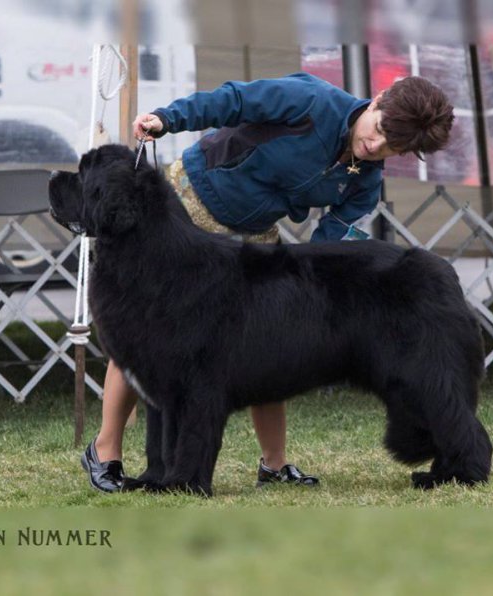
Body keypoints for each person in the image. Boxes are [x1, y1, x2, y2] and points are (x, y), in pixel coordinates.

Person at [81, 71, 455, 493]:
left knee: (268, 343)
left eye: (394, 147)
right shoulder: (310, 100)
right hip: (191, 206)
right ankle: (106, 451)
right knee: (149, 334)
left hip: (252, 236)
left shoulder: (364, 180)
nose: (376, 146)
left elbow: (326, 251)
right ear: (378, 99)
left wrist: (310, 304)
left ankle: (274, 465)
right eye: (380, 130)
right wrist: (169, 119)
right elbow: (233, 99)